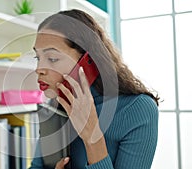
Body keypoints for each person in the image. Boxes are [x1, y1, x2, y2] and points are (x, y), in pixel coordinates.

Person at [29, 9, 160, 169]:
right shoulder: (57, 103)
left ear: (88, 61)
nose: (38, 69)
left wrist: (92, 137)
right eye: (38, 57)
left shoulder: (138, 110)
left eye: (52, 58)